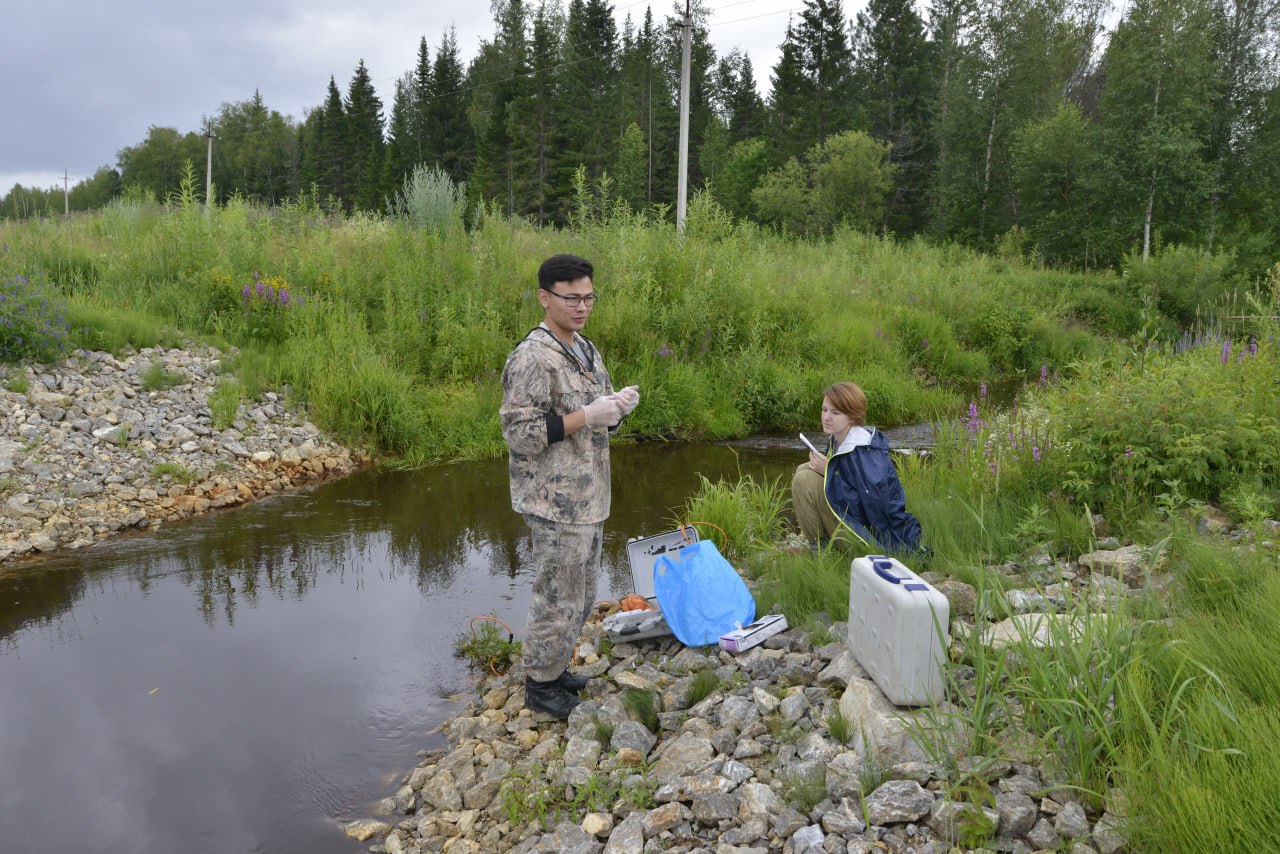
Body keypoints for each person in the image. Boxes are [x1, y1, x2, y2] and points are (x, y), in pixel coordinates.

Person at [499, 254, 639, 720]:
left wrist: (617, 408)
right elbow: (520, 434)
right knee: (556, 595)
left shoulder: (585, 348)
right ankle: (540, 687)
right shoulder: (531, 358)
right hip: (554, 500)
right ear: (545, 298)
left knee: (580, 594)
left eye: (588, 298)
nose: (582, 307)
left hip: (590, 494)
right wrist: (587, 415)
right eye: (572, 298)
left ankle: (556, 670)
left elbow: (599, 414)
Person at [791, 381, 924, 555]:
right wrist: (829, 467)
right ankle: (822, 547)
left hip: (869, 540)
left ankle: (821, 553)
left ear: (853, 417)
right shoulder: (838, 439)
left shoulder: (865, 451)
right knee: (804, 469)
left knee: (804, 480)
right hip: (852, 527)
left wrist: (829, 471)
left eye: (835, 412)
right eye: (824, 410)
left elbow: (872, 508)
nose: (826, 417)